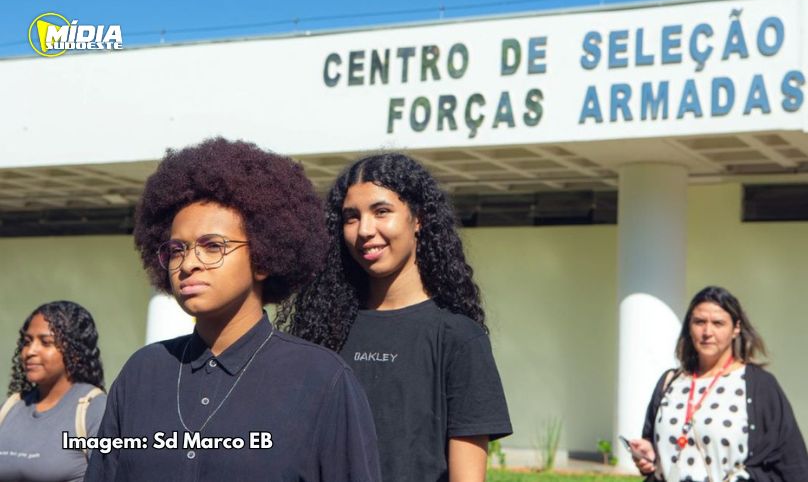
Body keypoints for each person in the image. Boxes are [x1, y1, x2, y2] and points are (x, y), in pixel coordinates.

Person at [85, 138, 381, 481]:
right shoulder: (141, 374)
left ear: (264, 257)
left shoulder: (321, 380)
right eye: (177, 249)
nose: (188, 264)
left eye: (213, 246)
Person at [277, 152, 512, 482]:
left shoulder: (458, 337)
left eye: (381, 211)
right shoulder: (320, 331)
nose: (365, 230)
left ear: (418, 218)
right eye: (351, 217)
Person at [630, 285, 808, 481]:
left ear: (736, 328)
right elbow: (653, 448)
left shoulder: (760, 386)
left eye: (718, 323)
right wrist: (647, 455)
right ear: (689, 327)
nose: (707, 331)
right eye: (699, 322)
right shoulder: (670, 382)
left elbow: (793, 462)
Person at [0, 301, 106, 482]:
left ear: (74, 351)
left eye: (45, 342)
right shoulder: (10, 408)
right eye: (27, 342)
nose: (30, 351)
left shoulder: (93, 410)